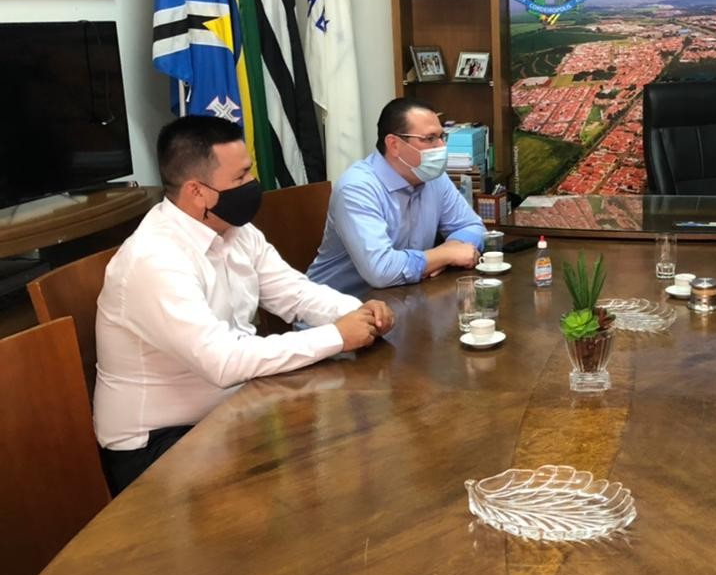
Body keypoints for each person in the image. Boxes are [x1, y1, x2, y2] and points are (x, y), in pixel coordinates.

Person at [95, 116, 394, 495]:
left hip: (233, 407)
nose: (252, 186)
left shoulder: (234, 230)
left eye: (249, 173)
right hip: (159, 442)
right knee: (302, 493)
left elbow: (294, 293)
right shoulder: (154, 260)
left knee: (347, 454)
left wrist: (356, 312)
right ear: (196, 191)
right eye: (240, 179)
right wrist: (336, 336)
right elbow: (223, 361)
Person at [308, 98, 486, 295]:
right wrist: (444, 255)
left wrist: (453, 247)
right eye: (429, 139)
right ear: (394, 145)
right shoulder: (357, 188)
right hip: (340, 312)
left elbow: (473, 226)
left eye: (442, 137)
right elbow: (381, 271)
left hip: (403, 301)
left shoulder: (433, 177)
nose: (441, 146)